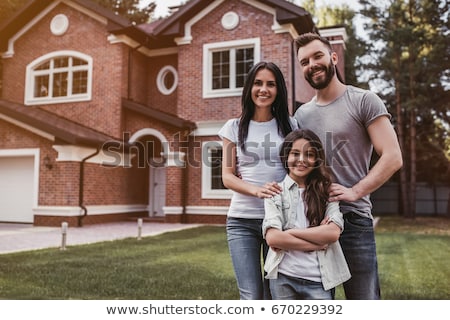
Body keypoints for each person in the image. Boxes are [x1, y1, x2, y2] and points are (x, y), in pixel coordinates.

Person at [293, 32, 403, 299]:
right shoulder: (301, 115)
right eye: (304, 61)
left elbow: (392, 156)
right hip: (314, 221)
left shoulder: (363, 100)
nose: (312, 65)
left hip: (354, 219)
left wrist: (355, 191)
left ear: (333, 57)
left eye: (317, 56)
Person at [218, 61, 298, 300]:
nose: (264, 89)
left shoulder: (291, 125)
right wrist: (256, 190)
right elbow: (227, 176)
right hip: (242, 221)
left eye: (271, 84)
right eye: (258, 83)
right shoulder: (233, 127)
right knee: (252, 296)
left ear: (279, 90)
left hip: (280, 221)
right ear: (249, 88)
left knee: (277, 294)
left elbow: (298, 170)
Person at [263, 129, 351, 300]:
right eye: (295, 153)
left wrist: (288, 234)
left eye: (309, 154)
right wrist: (316, 243)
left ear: (317, 160)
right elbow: (273, 239)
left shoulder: (327, 193)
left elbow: (332, 233)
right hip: (283, 277)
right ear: (286, 156)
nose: (302, 160)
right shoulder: (275, 193)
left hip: (318, 279)